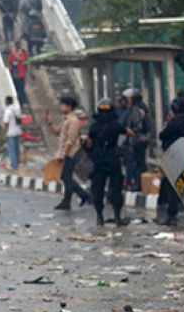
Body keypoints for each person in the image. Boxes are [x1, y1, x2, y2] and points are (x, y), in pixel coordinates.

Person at [156, 96, 184, 225]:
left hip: (174, 160)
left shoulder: (174, 123)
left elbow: (162, 135)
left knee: (172, 188)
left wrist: (167, 123)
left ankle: (172, 215)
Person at [85, 98, 126, 227]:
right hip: (113, 160)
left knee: (98, 190)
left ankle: (99, 217)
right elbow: (127, 134)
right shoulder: (117, 126)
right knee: (116, 190)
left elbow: (89, 143)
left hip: (99, 162)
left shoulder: (94, 127)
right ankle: (117, 217)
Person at [47, 95, 90, 210]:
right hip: (66, 151)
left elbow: (71, 140)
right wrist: (50, 123)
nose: (61, 107)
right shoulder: (66, 119)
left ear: (69, 106)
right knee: (66, 176)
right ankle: (76, 197)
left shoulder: (74, 121)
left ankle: (77, 197)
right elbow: (57, 132)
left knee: (66, 176)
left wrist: (63, 154)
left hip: (72, 152)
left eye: (62, 105)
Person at [122, 88, 150, 192]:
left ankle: (139, 184)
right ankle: (139, 183)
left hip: (138, 140)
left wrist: (130, 132)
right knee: (138, 162)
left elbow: (138, 126)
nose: (127, 102)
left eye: (129, 99)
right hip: (140, 139)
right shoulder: (140, 108)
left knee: (138, 163)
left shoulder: (138, 110)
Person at [2, 95, 22, 170]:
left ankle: (14, 165)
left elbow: (6, 123)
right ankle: (17, 163)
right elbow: (20, 119)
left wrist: (5, 132)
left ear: (6, 102)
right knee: (17, 149)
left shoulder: (7, 111)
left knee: (12, 149)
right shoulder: (17, 109)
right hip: (17, 131)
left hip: (10, 132)